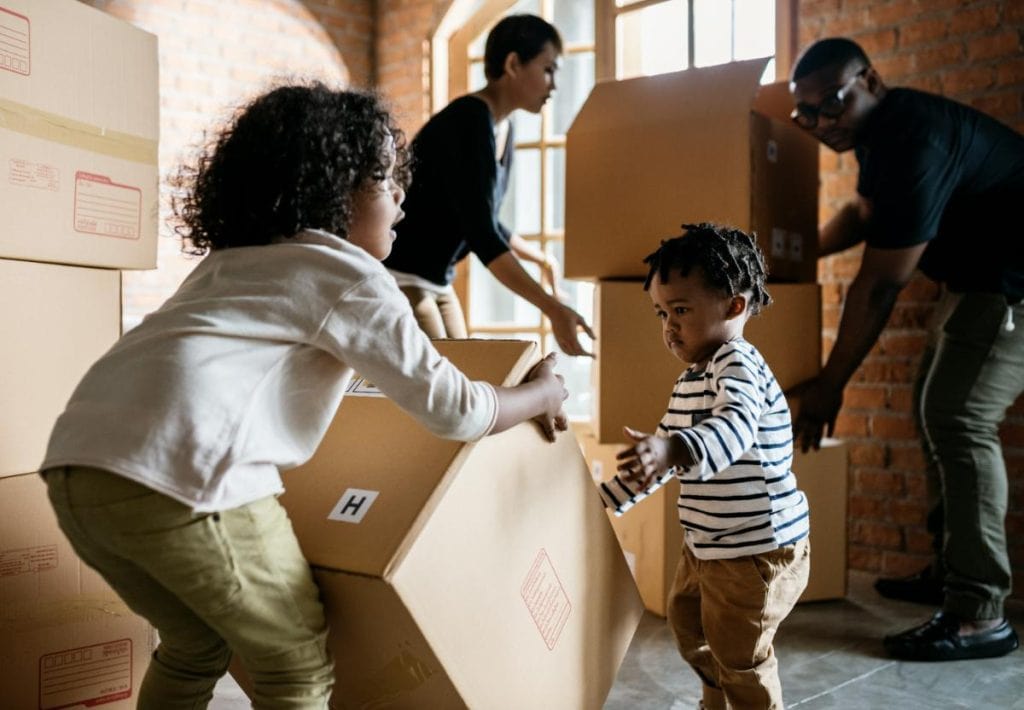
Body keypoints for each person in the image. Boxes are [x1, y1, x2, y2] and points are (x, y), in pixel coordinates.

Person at [38, 83, 569, 709]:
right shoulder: (351, 274)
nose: (401, 195)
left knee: (194, 644)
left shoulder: (230, 262)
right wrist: (541, 392)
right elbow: (457, 411)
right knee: (297, 666)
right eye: (381, 179)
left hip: (79, 470)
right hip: (181, 475)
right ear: (330, 190)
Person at [789, 37, 1023, 661]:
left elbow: (880, 286)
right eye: (803, 114)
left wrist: (828, 384)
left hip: (1013, 285)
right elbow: (867, 216)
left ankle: (979, 614)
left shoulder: (914, 135)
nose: (820, 125)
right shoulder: (879, 134)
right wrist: (790, 257)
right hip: (977, 281)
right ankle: (953, 571)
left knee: (960, 416)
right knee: (934, 408)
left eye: (830, 105)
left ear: (868, 80)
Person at [597, 224, 810, 710]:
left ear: (734, 306)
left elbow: (733, 429)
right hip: (710, 545)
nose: (668, 326)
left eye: (681, 310)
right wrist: (604, 501)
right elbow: (657, 464)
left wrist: (671, 450)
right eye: (661, 312)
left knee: (741, 655)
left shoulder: (737, 364)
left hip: (758, 549)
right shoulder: (692, 379)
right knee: (689, 625)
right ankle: (715, 702)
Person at [383, 13, 595, 356]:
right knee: (447, 385)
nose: (554, 85)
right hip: (402, 275)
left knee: (467, 373)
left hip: (437, 279)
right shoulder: (468, 121)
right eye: (548, 69)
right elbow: (482, 233)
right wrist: (553, 308)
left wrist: (543, 259)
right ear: (513, 64)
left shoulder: (502, 128)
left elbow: (481, 214)